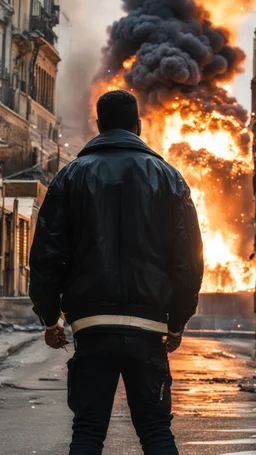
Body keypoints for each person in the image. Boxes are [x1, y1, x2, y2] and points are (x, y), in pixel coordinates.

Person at [29, 90, 204, 455]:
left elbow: (47, 255)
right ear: (137, 126)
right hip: (149, 329)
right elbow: (188, 260)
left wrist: (49, 319)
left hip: (92, 327)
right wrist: (177, 322)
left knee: (88, 431)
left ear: (99, 125)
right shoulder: (169, 178)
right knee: (156, 431)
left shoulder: (70, 177)